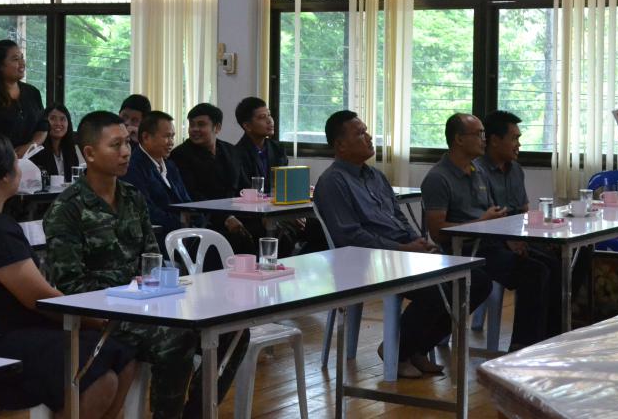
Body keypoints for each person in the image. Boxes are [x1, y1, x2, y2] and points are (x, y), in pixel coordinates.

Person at [43, 111, 246, 419]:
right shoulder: (67, 209)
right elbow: (71, 285)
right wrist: (129, 295)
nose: (126, 152)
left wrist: (160, 290)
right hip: (105, 313)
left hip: (146, 303)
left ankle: (196, 413)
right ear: (90, 154)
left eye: (127, 143)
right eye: (116, 145)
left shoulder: (132, 197)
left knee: (232, 331)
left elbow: (152, 259)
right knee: (176, 338)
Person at [0, 131, 135, 417]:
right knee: (99, 377)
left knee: (123, 355)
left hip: (18, 326)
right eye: (16, 161)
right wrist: (93, 319)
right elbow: (39, 298)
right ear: (4, 175)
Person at [315, 111, 491, 377]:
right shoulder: (332, 182)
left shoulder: (375, 176)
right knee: (435, 289)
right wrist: (402, 250)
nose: (369, 137)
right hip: (368, 260)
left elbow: (398, 217)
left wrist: (417, 241)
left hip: (402, 252)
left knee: (476, 280)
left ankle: (414, 348)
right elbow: (350, 237)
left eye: (367, 131)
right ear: (340, 145)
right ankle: (397, 351)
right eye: (360, 134)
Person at [422, 113, 554, 350]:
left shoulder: (478, 172)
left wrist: (510, 239)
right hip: (464, 251)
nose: (483, 139)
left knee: (552, 262)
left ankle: (550, 338)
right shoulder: (438, 178)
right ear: (459, 139)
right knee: (535, 272)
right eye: (478, 134)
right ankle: (522, 346)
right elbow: (438, 232)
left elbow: (495, 214)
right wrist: (482, 223)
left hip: (491, 243)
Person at [475, 110, 568, 337]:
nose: (519, 144)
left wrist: (540, 234)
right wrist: (511, 240)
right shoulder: (477, 171)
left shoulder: (516, 169)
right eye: (514, 138)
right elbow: (486, 220)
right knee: (539, 270)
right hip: (491, 243)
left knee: (565, 257)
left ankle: (553, 333)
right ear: (494, 140)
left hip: (519, 237)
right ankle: (524, 342)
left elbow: (524, 211)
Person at [170, 103, 254, 255]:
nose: (195, 129)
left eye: (201, 124)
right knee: (235, 239)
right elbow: (192, 195)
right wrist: (226, 218)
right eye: (192, 125)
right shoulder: (180, 155)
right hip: (206, 218)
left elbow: (244, 186)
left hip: (237, 214)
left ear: (217, 127)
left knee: (271, 232)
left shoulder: (231, 151)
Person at [233, 96, 303, 255]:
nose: (270, 121)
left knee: (315, 225)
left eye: (269, 115)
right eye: (262, 117)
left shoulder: (277, 149)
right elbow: (243, 192)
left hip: (277, 211)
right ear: (247, 126)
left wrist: (293, 213)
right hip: (253, 216)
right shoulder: (237, 154)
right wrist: (267, 214)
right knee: (280, 235)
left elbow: (284, 186)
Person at [122, 111, 192, 247]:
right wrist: (181, 224)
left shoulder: (170, 166)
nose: (171, 142)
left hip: (184, 234)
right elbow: (146, 210)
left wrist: (195, 221)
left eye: (173, 136)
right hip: (156, 239)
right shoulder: (132, 167)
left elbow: (186, 200)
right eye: (166, 136)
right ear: (146, 137)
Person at [0, 39, 48, 158]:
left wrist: (31, 145)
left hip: (32, 161)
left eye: (22, 58)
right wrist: (10, 155)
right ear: (0, 65)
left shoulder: (32, 92)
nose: (22, 63)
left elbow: (43, 127)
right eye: (15, 59)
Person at [31, 104, 81, 183]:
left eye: (62, 119)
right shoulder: (36, 151)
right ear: (43, 123)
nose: (58, 123)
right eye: (52, 118)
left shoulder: (71, 151)